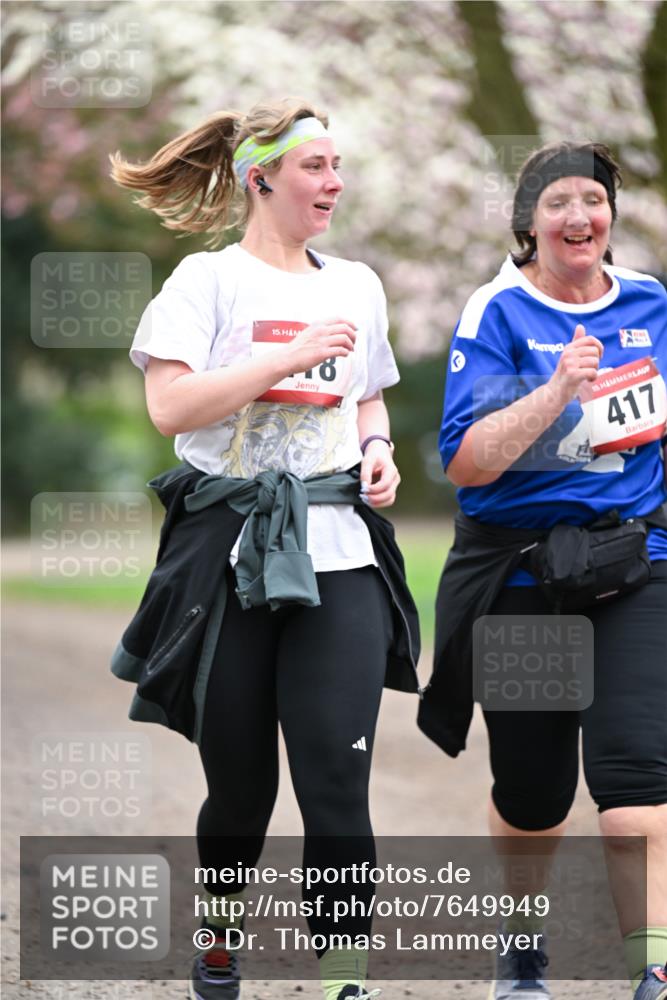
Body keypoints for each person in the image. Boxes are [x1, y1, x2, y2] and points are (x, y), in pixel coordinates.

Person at [109, 99, 420, 1000]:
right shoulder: (204, 284)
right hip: (233, 558)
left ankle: (345, 978)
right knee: (241, 791)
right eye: (316, 166)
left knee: (335, 777)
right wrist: (280, 363)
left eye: (337, 165)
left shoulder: (356, 283)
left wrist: (377, 451)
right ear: (262, 178)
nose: (334, 182)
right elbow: (171, 410)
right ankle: (219, 935)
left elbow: (368, 396)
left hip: (337, 551)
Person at [418, 141, 667, 1000]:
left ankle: (652, 967)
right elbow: (468, 462)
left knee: (637, 786)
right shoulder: (496, 313)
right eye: (557, 202)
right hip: (522, 574)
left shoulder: (649, 303)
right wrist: (558, 387)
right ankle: (520, 948)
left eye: (592, 200)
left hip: (634, 564)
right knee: (533, 793)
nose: (578, 217)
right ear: (527, 225)